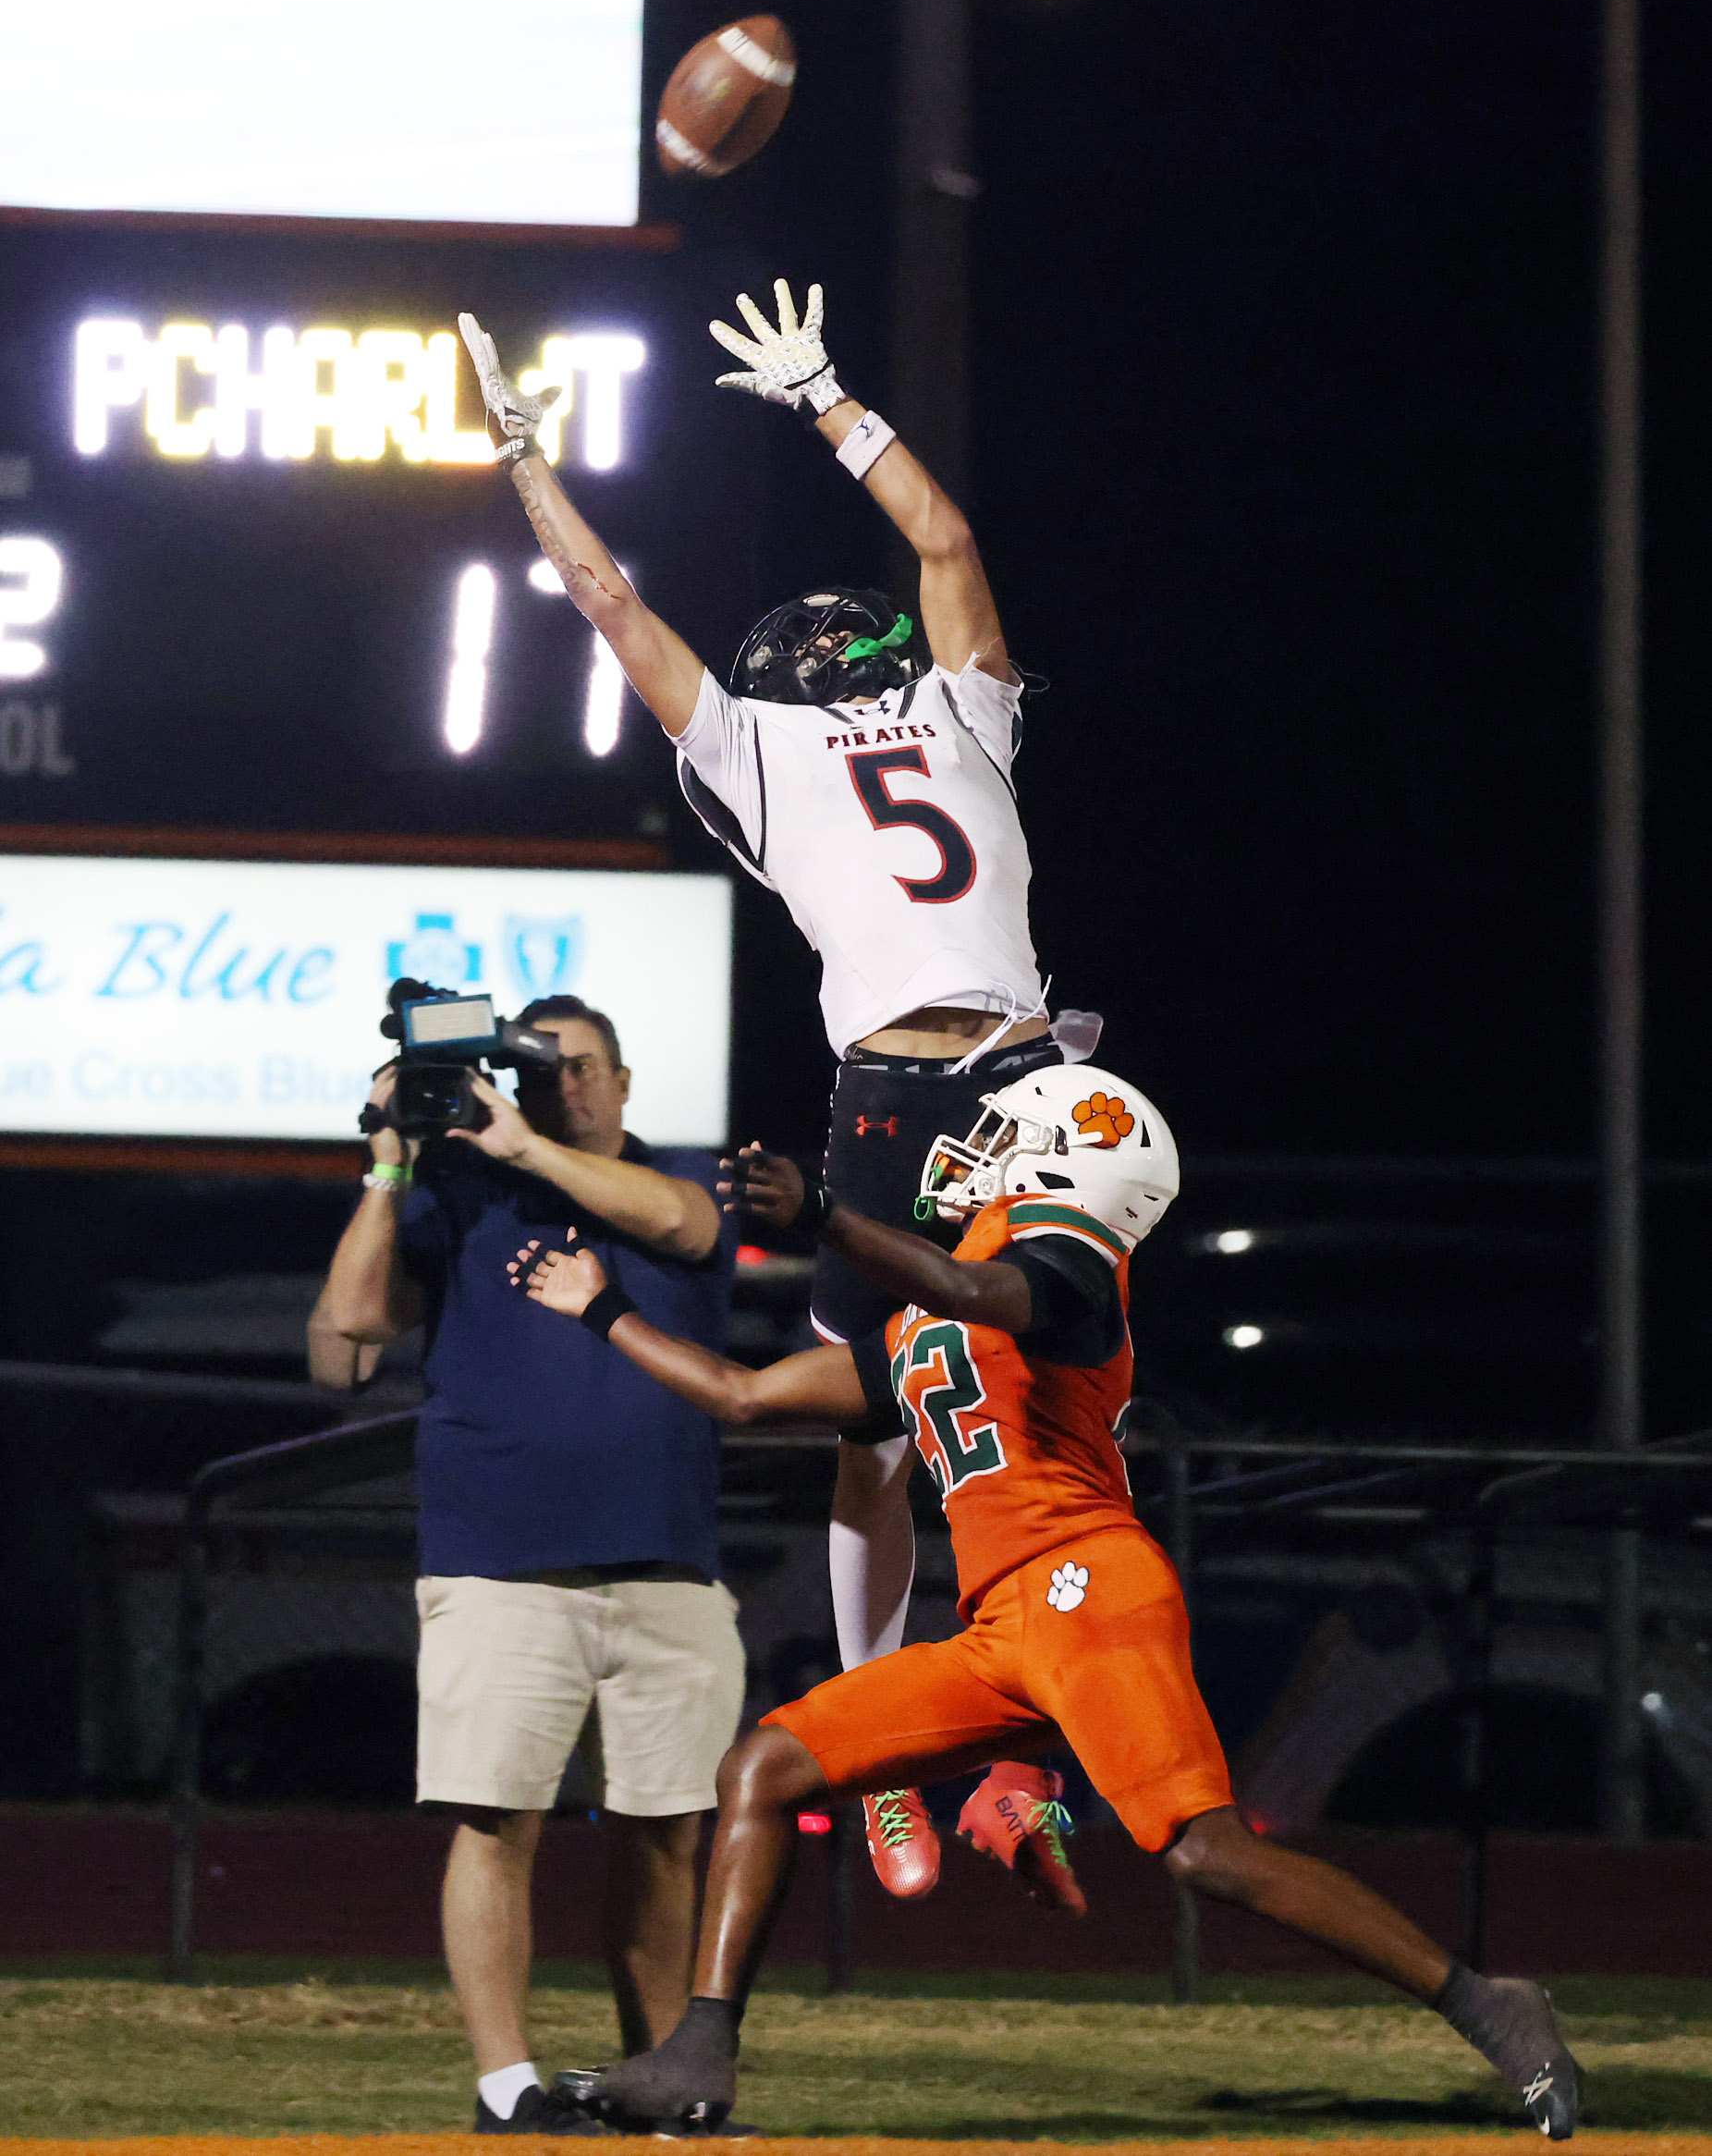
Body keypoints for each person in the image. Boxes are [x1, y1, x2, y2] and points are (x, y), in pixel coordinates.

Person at [504, 1060, 1581, 2143]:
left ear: (1058, 1157)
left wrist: (828, 1217)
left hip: (1087, 1590)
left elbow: (982, 1292)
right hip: (1003, 1626)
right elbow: (745, 1398)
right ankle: (699, 2052)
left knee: (1203, 1852)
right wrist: (603, 1311)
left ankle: (1486, 1999)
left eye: (995, 1135)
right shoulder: (924, 1315)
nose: (960, 1154)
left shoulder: (1070, 1258)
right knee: (763, 1768)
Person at [459, 286, 1086, 1905]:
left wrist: (524, 457)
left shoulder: (759, 746)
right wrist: (827, 399)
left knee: (904, 1432)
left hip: (916, 1090)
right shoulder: (962, 708)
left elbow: (602, 597)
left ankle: (963, 1746)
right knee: (1021, 1414)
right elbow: (943, 541)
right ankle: (937, 1746)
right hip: (1014, 1080)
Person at [309, 994, 744, 2136]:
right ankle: (508, 2088)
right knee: (496, 1822)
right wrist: (389, 1165)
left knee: (667, 1832)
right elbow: (343, 1346)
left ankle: (663, 2082)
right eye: (543, 1073)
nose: (570, 1088)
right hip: (498, 1560)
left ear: (626, 1079)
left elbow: (690, 1227)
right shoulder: (463, 1194)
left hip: (667, 1563)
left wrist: (525, 1142)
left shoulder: (680, 1170)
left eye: (588, 1067)